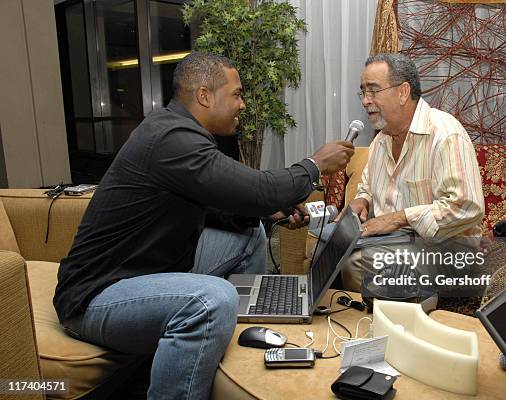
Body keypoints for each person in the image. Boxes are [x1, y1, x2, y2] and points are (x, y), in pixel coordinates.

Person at [53, 52, 354, 399]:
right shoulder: (171, 138)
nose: (242, 104)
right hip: (95, 297)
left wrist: (269, 211)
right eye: (237, 94)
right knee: (213, 299)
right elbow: (259, 188)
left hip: (143, 272)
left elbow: (220, 203)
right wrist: (315, 165)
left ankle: (241, 333)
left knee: (249, 232)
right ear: (205, 96)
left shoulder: (175, 130)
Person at [340, 53, 485, 292]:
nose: (365, 100)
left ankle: (379, 327)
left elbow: (466, 206)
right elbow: (367, 186)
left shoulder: (445, 134)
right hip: (394, 244)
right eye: (363, 92)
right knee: (336, 249)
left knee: (356, 264)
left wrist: (399, 218)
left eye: (373, 90)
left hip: (446, 251)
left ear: (403, 92)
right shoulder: (381, 141)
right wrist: (361, 200)